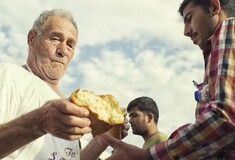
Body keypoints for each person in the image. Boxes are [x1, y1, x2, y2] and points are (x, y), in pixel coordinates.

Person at [101, 0, 235, 159]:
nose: (185, 31)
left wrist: (146, 156)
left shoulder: (228, 29)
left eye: (189, 18)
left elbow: (224, 119)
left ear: (214, 7)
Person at [0, 9, 129, 160]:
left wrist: (102, 139)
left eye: (70, 44)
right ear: (32, 38)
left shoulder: (66, 104)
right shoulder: (9, 75)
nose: (62, 51)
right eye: (55, 38)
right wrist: (39, 122)